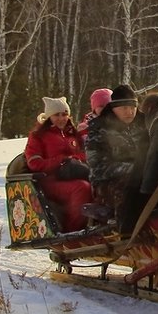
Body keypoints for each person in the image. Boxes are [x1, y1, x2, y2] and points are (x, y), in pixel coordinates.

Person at [84, 84, 149, 234]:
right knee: (130, 186)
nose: (130, 112)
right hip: (108, 183)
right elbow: (98, 166)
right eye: (124, 107)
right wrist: (135, 169)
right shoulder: (99, 129)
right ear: (113, 108)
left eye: (133, 107)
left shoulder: (144, 124)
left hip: (144, 176)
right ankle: (126, 230)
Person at [24, 96, 93, 232]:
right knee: (81, 188)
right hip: (48, 181)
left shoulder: (72, 134)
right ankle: (73, 231)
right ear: (49, 116)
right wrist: (61, 161)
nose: (61, 118)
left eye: (64, 114)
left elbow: (84, 155)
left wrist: (72, 158)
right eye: (57, 115)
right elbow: (35, 163)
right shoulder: (38, 136)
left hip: (74, 175)